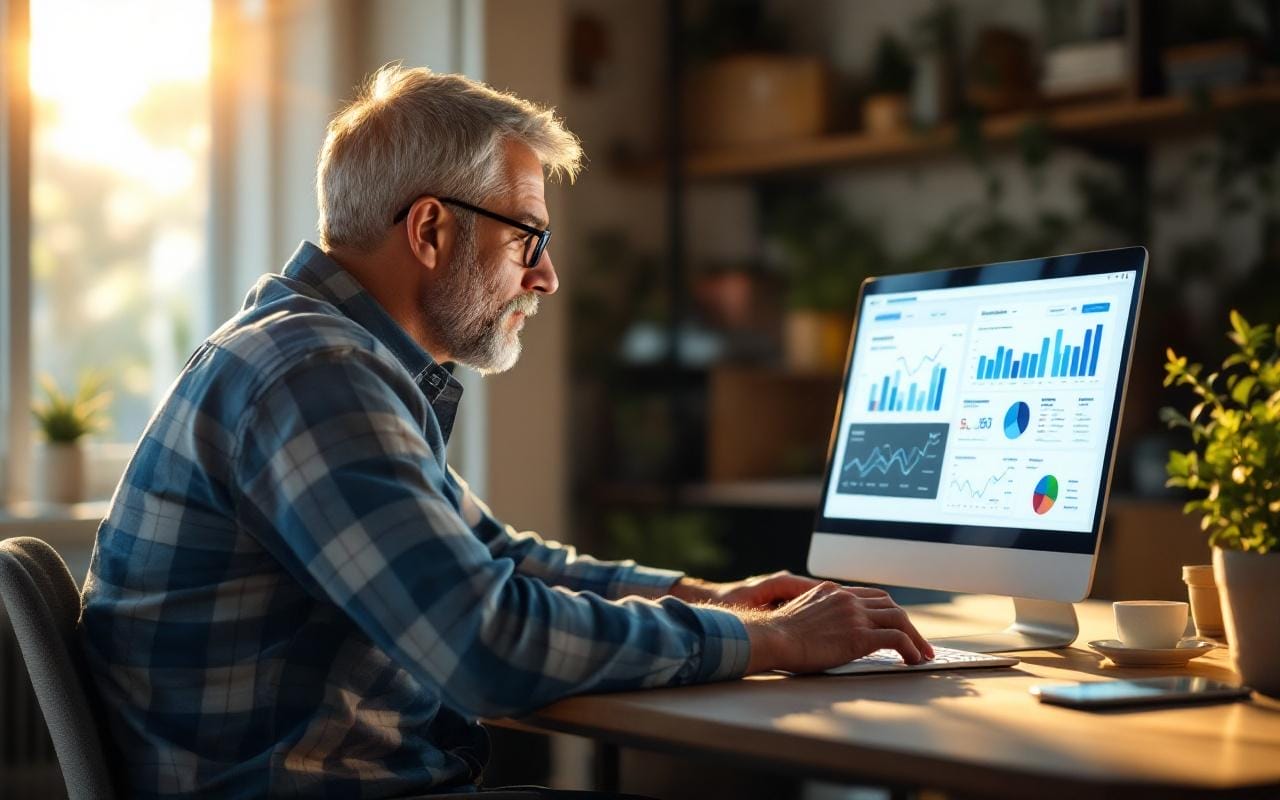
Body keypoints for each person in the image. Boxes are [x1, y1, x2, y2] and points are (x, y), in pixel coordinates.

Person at [79, 65, 933, 799]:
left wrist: (709, 598)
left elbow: (501, 562)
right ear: (429, 229)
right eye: (528, 235)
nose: (548, 276)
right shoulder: (312, 374)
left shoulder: (319, 356)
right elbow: (484, 642)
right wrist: (769, 640)